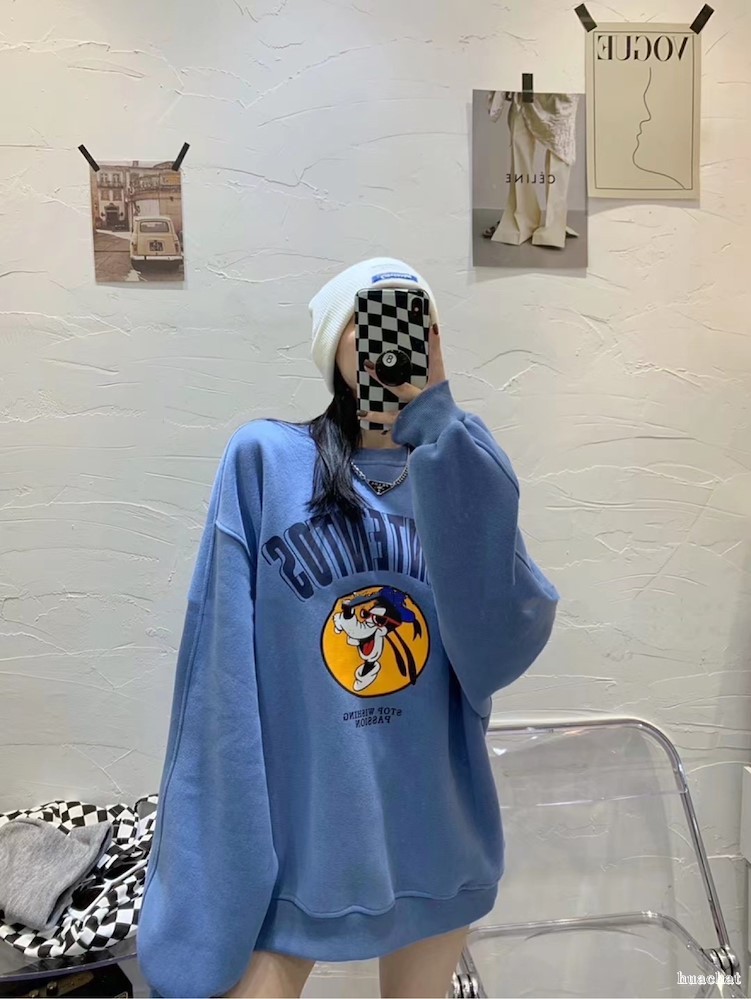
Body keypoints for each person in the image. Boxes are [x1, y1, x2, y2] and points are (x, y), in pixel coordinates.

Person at [137, 258, 560, 999]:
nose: (393, 338)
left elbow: (500, 644)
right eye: (370, 319)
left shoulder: (458, 468)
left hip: (437, 841)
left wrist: (442, 429)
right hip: (303, 848)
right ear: (333, 342)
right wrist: (217, 861)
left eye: (418, 322)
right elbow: (218, 679)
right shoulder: (265, 462)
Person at [483, 90, 581, 249]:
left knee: (560, 151)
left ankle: (553, 227)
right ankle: (520, 218)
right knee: (520, 143)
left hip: (559, 87)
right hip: (526, 85)